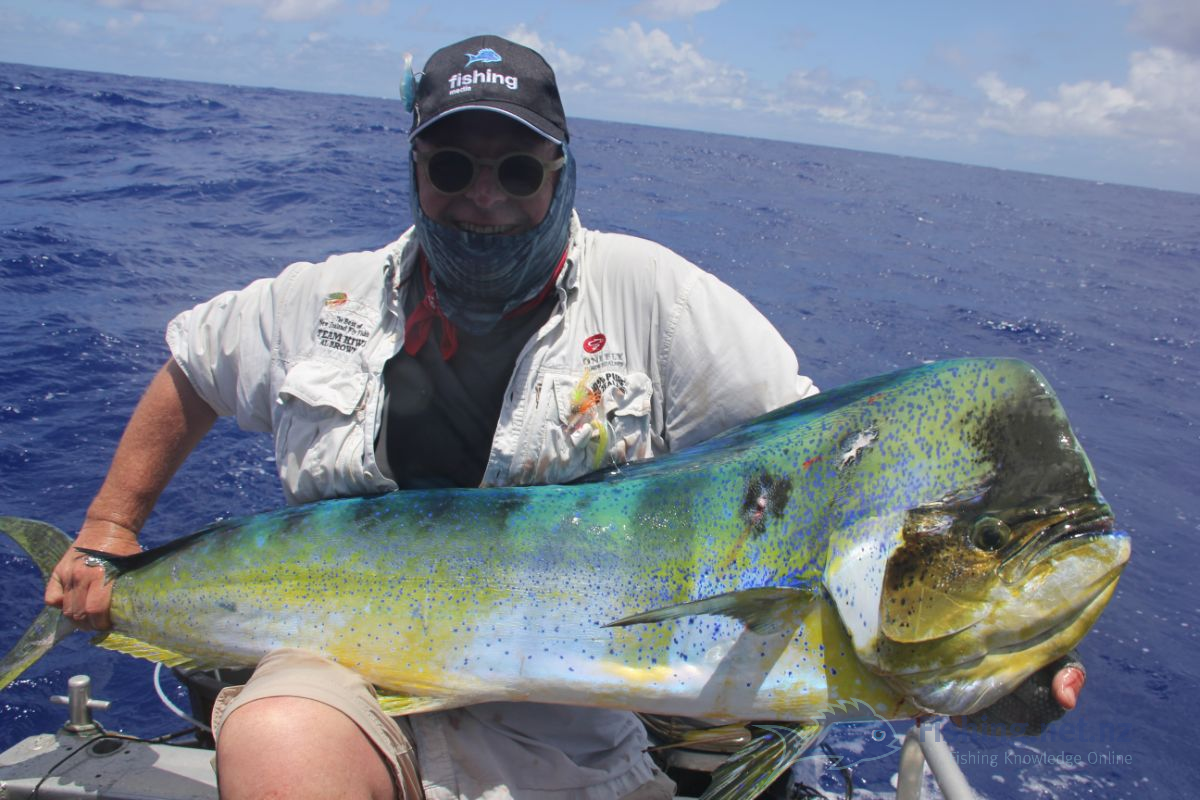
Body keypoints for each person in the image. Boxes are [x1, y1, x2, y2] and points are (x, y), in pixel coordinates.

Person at [43, 34, 1086, 800]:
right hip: (337, 670)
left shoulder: (659, 299)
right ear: (416, 172)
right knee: (276, 737)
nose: (482, 194)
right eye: (452, 166)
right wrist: (107, 530)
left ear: (561, 171)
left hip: (570, 727)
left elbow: (823, 468)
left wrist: (987, 661)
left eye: (515, 167)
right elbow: (194, 366)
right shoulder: (322, 300)